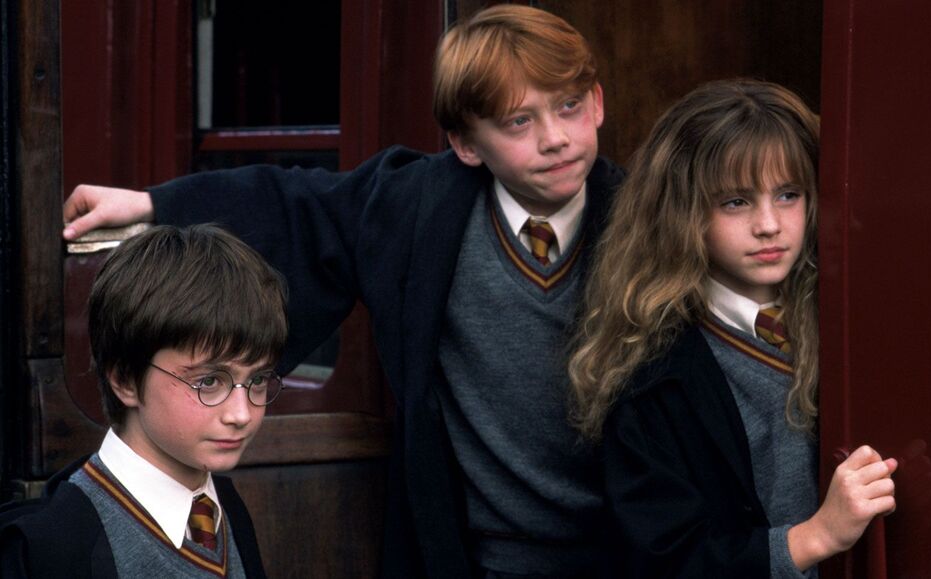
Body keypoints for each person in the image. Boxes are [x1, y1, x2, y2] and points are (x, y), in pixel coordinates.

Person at [61, 5, 621, 577]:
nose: (555, 139)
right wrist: (155, 204)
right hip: (474, 556)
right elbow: (299, 206)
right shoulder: (420, 210)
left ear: (597, 102)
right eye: (518, 122)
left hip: (625, 547)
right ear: (466, 143)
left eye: (569, 106)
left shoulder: (645, 226)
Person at [568, 79, 897, 578]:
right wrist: (817, 536)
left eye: (788, 195)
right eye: (736, 202)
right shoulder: (650, 374)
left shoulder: (847, 319)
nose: (769, 224)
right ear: (682, 213)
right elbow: (667, 561)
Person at [0, 224, 286, 578]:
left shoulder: (225, 509)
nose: (241, 414)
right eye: (208, 382)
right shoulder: (49, 548)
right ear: (125, 379)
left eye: (257, 380)